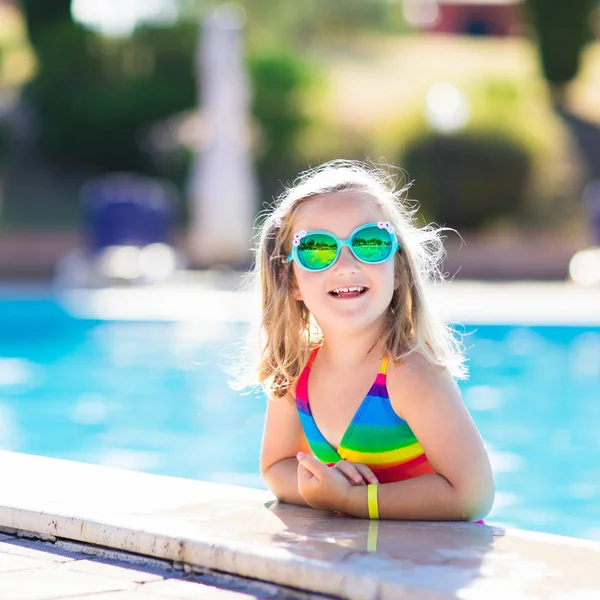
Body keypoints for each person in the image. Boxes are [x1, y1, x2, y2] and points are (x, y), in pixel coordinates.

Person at [247, 160, 494, 521]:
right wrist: (320, 488)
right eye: (317, 248)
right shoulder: (296, 369)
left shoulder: (409, 373)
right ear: (292, 280)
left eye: (370, 242)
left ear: (398, 270)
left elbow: (473, 497)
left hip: (429, 566)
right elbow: (275, 467)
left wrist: (349, 500)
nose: (346, 264)